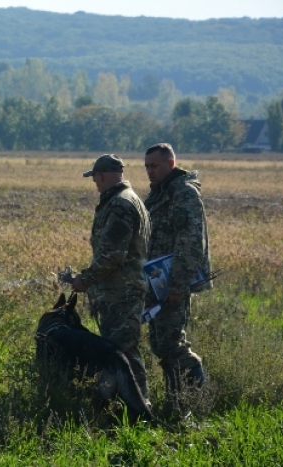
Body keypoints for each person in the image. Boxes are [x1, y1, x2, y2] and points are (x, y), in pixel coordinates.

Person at [72, 154, 151, 402]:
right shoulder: (130, 200)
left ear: (102, 175)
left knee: (120, 353)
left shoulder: (119, 205)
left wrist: (86, 279)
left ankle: (130, 409)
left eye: (95, 178)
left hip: (121, 293)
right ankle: (127, 406)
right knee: (122, 352)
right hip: (122, 290)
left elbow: (112, 256)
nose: (95, 183)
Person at [143, 143, 212, 412]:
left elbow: (189, 242)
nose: (150, 171)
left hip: (172, 283)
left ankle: (195, 399)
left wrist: (179, 285)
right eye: (147, 166)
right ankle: (176, 403)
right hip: (156, 281)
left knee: (172, 343)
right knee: (160, 344)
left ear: (171, 164)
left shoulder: (183, 193)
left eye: (155, 165)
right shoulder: (159, 194)